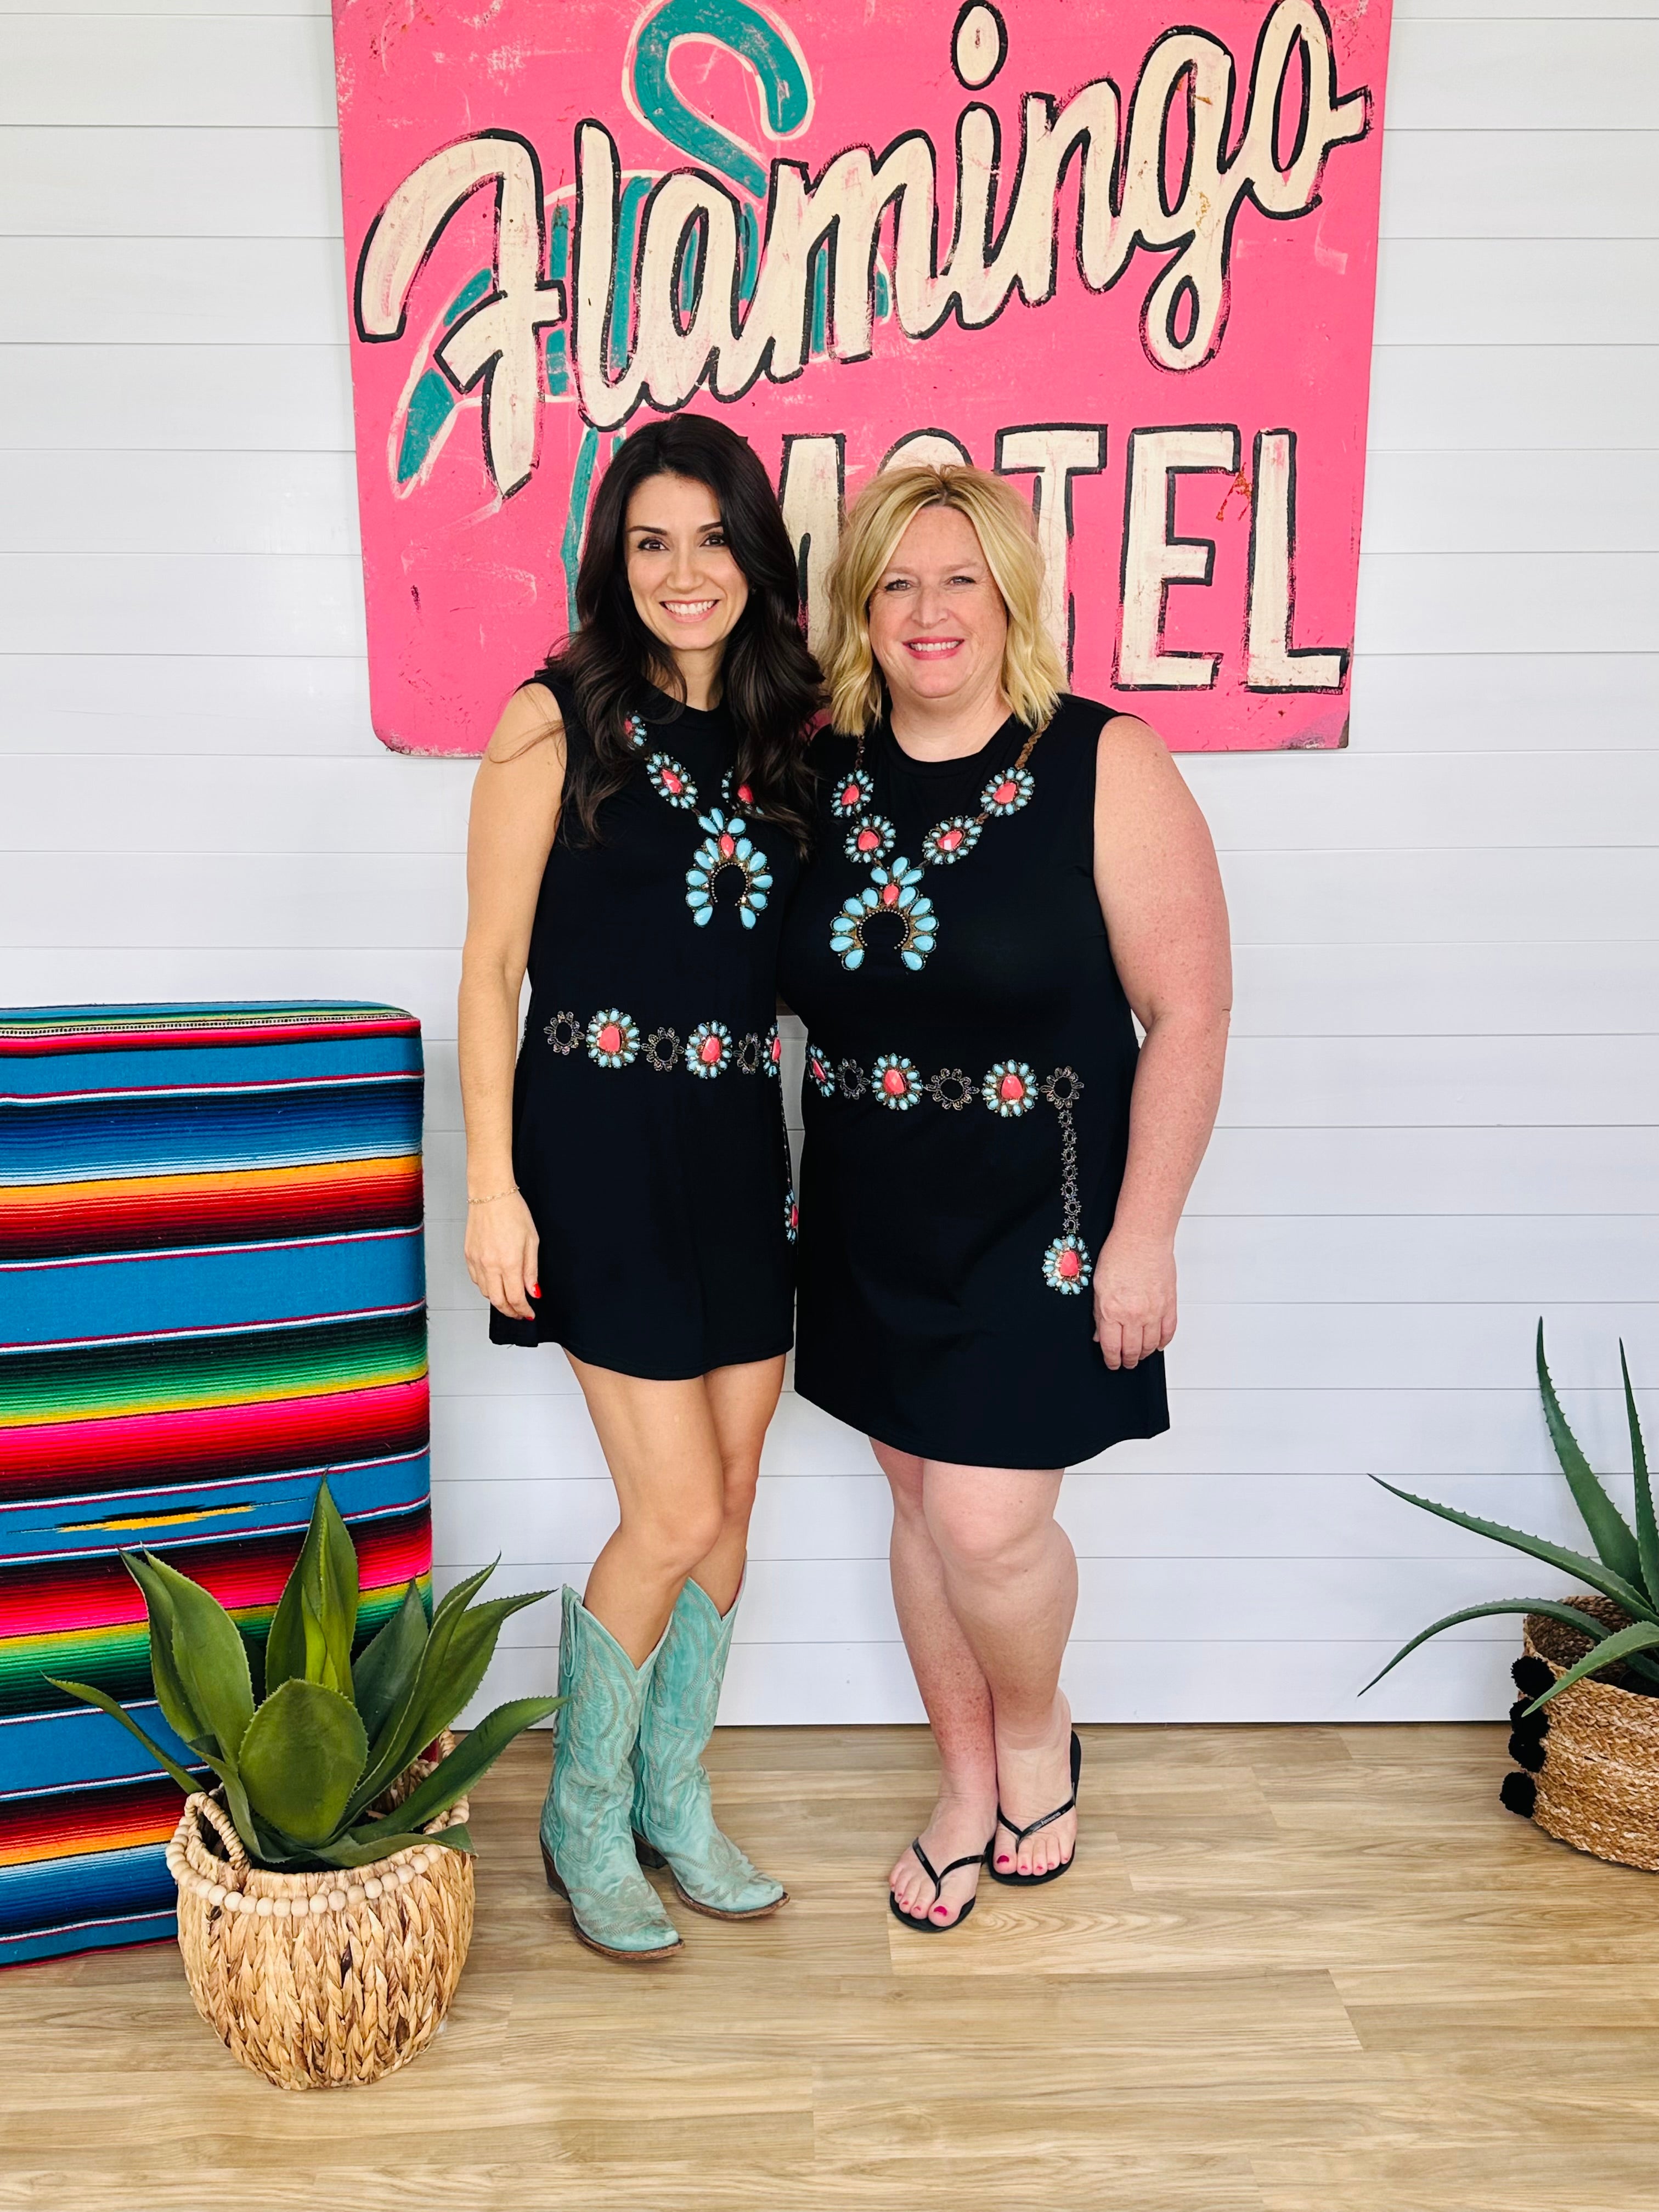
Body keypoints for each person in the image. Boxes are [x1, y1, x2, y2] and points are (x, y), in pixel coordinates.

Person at [777, 464, 1231, 1932]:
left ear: (1011, 597)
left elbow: (1193, 1012)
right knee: (917, 1506)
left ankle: (1038, 1735)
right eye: (896, 583)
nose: (928, 611)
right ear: (861, 612)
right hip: (866, 1210)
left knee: (987, 1526)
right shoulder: (819, 773)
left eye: (959, 579)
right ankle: (966, 1781)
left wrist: (1146, 1229)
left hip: (1041, 1221)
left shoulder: (1107, 761)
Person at [458, 414, 820, 1961]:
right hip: (595, 1145)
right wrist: (492, 1185)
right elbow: (488, 968)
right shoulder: (554, 718)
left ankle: (674, 1793)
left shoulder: (797, 730)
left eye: (715, 538)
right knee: (667, 1506)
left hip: (745, 1140)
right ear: (614, 556)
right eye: (653, 540)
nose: (685, 571)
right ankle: (582, 1811)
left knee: (731, 1500)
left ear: (757, 553)